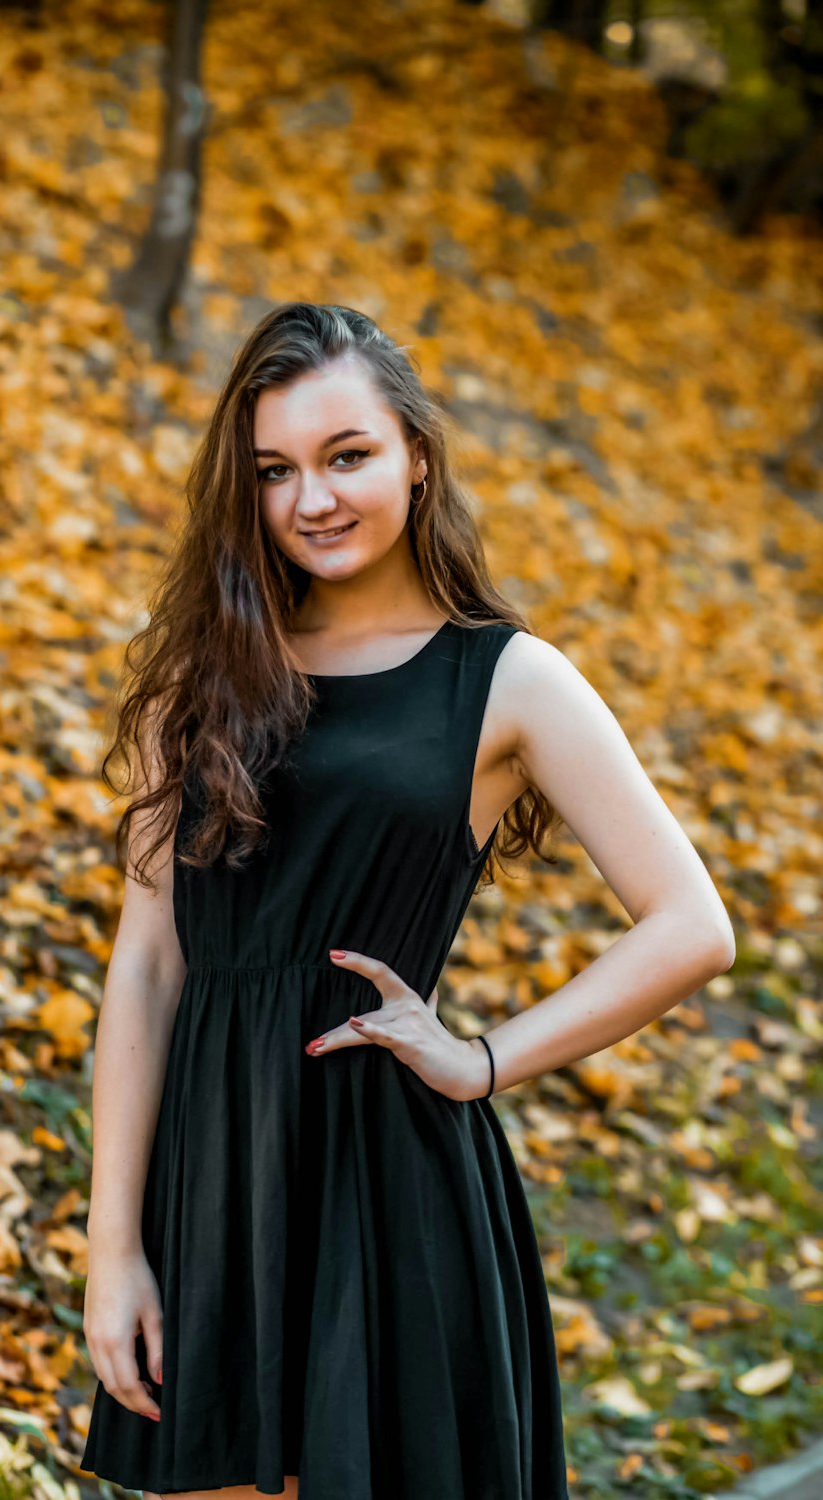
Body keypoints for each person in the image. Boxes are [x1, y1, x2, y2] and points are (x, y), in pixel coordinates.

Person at [78, 301, 735, 1500]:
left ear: (416, 457)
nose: (311, 500)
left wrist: (482, 1058)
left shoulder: (507, 680)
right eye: (275, 471)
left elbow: (693, 925)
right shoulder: (209, 670)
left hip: (387, 1189)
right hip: (212, 1179)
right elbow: (150, 964)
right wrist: (112, 1244)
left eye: (347, 457)